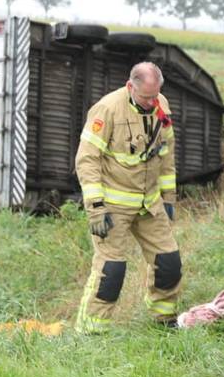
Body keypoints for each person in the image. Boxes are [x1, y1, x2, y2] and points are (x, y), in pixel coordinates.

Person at [75, 62, 182, 333]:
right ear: (129, 86)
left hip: (150, 203)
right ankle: (91, 332)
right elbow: (86, 160)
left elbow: (166, 156)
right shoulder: (107, 109)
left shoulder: (161, 105)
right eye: (145, 97)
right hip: (113, 206)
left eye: (155, 96)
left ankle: (164, 321)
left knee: (168, 262)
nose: (150, 102)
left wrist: (168, 198)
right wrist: (96, 208)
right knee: (111, 270)